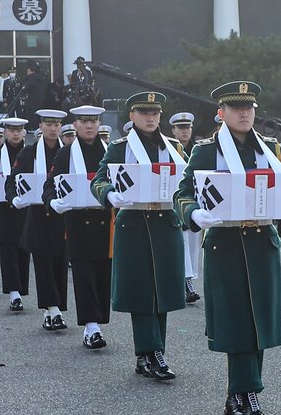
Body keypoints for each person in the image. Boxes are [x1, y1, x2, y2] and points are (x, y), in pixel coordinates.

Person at [174, 82, 281, 415]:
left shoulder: (270, 148)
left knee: (258, 321)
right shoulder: (206, 151)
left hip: (262, 243)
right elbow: (183, 194)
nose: (244, 114)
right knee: (237, 320)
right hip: (226, 243)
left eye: (249, 108)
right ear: (221, 113)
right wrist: (195, 213)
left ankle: (238, 392)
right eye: (237, 108)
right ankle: (249, 394)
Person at [93, 92, 188, 378]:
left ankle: (149, 354)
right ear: (132, 116)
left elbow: (188, 181)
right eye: (144, 112)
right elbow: (99, 180)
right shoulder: (119, 148)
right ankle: (153, 352)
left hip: (165, 222)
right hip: (134, 222)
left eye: (155, 113)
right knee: (142, 290)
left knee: (163, 290)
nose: (150, 118)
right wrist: (110, 194)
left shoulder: (173, 147)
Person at [45, 105, 113, 349]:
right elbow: (50, 185)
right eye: (84, 122)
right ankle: (91, 327)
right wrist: (53, 202)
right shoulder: (66, 154)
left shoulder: (110, 152)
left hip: (106, 222)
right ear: (75, 125)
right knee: (84, 275)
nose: (89, 126)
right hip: (78, 222)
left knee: (103, 275)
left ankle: (97, 322)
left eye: (93, 121)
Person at [12, 109, 70, 331]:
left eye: (57, 125)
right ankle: (53, 310)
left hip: (62, 216)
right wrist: (14, 198)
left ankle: (52, 310)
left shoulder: (68, 152)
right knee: (43, 264)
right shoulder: (28, 153)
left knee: (60, 265)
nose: (53, 129)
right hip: (38, 216)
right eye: (49, 124)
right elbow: (12, 180)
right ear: (41, 126)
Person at [0, 117, 32, 310]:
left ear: (24, 133)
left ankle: (20, 289)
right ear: (5, 132)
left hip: (25, 210)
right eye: (11, 130)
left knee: (23, 253)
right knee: (7, 252)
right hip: (4, 211)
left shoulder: (30, 153)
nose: (15, 134)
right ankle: (14, 293)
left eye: (18, 130)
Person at [169, 111, 201, 303]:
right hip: (177, 202)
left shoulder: (197, 149)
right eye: (180, 128)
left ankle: (188, 280)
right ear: (173, 130)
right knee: (183, 244)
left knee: (192, 245)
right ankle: (187, 283)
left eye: (187, 127)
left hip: (195, 203)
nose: (185, 131)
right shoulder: (170, 148)